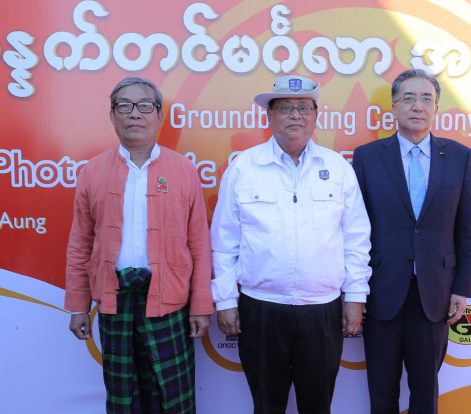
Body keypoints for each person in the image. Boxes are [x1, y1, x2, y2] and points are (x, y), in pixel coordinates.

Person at [210, 75, 372, 414]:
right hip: (262, 308)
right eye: (285, 108)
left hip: (322, 310)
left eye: (303, 108)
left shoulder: (338, 169)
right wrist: (225, 300)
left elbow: (356, 239)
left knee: (318, 405)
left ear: (316, 116)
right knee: (267, 405)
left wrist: (355, 297)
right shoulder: (244, 168)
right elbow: (224, 242)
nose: (295, 115)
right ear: (269, 115)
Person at [64, 77, 213, 414]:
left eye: (145, 106)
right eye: (124, 106)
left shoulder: (183, 170)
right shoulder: (92, 171)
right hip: (115, 301)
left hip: (169, 301)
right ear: (112, 115)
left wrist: (201, 304)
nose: (135, 114)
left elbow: (199, 244)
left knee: (172, 398)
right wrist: (77, 305)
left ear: (158, 115)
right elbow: (80, 244)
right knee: (123, 395)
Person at [352, 68, 471, 414]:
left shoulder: (458, 156)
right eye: (408, 97)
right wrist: (354, 290)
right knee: (381, 393)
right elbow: (352, 228)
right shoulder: (366, 157)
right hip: (380, 292)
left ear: (436, 107)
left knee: (426, 393)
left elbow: (467, 228)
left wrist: (462, 288)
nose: (417, 106)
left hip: (435, 294)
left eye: (427, 98)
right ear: (393, 106)